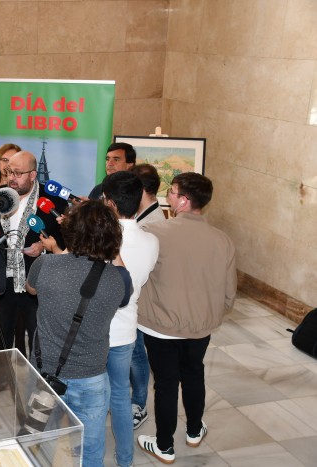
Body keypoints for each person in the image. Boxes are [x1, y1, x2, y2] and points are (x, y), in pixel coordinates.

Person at [137, 173, 237, 465]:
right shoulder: (223, 240)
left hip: (161, 326)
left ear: (183, 200)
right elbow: (230, 293)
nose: (167, 196)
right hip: (201, 326)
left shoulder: (156, 233)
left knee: (166, 383)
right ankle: (194, 430)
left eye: (172, 192)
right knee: (194, 374)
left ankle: (164, 445)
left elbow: (140, 278)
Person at [25, 200, 131, 467]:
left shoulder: (45, 267)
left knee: (37, 444)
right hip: (91, 379)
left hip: (44, 374)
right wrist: (113, 249)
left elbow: (32, 290)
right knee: (91, 448)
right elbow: (123, 286)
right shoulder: (116, 279)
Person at [101, 171, 159, 467]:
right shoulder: (151, 242)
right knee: (121, 396)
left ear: (109, 203)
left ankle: (90, 454)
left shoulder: (99, 238)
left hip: (95, 330)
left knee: (93, 398)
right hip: (126, 330)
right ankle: (125, 459)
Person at [0, 150, 67, 356]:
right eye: (9, 172)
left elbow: (65, 241)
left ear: (33, 175)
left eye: (18, 173)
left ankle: (38, 385)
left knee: (39, 340)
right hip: (2, 280)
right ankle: (0, 384)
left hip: (37, 283)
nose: (11, 178)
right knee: (0, 342)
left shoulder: (54, 202)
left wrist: (44, 248)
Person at [128, 163, 165, 430]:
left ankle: (139, 404)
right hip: (137, 295)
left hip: (143, 298)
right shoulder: (143, 214)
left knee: (137, 355)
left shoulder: (153, 222)